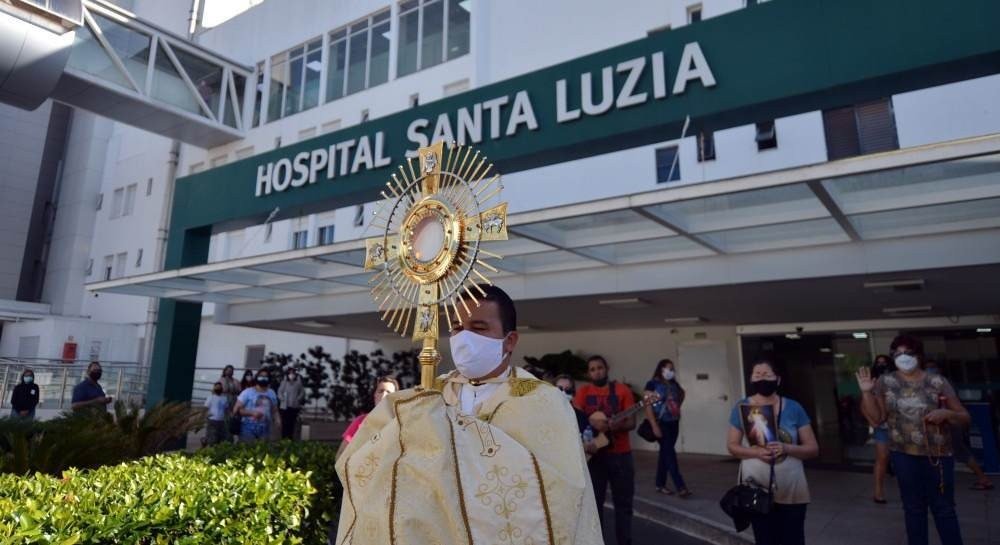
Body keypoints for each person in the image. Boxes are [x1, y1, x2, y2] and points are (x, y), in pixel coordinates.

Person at [335, 284, 602, 545]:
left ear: (510, 340)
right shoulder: (429, 396)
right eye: (457, 327)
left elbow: (561, 492)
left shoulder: (542, 401)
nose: (464, 337)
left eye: (479, 328)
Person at [858, 335, 970, 545]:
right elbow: (877, 419)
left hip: (938, 456)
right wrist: (866, 394)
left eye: (908, 353)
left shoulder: (937, 381)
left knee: (944, 508)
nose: (903, 357)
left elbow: (964, 417)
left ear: (919, 355)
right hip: (903, 455)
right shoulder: (885, 382)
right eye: (897, 354)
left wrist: (947, 414)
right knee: (913, 508)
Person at [727, 360, 819, 545]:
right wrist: (756, 453)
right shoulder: (741, 407)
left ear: (778, 379)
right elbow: (732, 446)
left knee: (794, 539)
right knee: (765, 539)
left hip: (792, 487)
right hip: (757, 488)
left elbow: (813, 449)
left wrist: (787, 448)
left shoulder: (794, 407)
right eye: (757, 375)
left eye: (767, 375)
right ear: (751, 379)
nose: (762, 378)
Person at [574, 355, 636, 545]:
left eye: (600, 367)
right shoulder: (583, 392)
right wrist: (593, 423)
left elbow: (631, 422)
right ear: (588, 373)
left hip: (621, 455)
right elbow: (575, 419)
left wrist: (615, 426)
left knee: (623, 504)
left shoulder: (622, 390)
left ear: (607, 368)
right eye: (592, 369)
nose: (597, 372)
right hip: (594, 456)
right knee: (594, 505)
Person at [924, 360, 993, 491]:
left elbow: (954, 407)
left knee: (960, 450)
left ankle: (983, 478)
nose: (929, 370)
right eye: (927, 367)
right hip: (943, 422)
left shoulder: (942, 382)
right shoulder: (929, 382)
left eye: (932, 367)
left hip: (950, 422)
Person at [644, 359, 691, 497]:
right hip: (661, 423)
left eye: (672, 369)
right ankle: (680, 486)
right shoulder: (652, 384)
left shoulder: (673, 384)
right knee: (670, 454)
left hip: (673, 422)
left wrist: (676, 407)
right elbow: (647, 405)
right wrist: (654, 425)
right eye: (668, 368)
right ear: (661, 369)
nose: (671, 371)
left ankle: (660, 484)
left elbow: (681, 394)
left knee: (665, 453)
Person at [335, 376, 398, 459]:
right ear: (375, 395)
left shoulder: (401, 424)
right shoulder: (360, 421)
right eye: (380, 391)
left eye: (388, 392)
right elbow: (340, 454)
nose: (384, 395)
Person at [869, 354, 895, 504]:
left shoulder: (897, 381)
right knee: (882, 458)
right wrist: (872, 422)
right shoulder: (871, 383)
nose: (881, 365)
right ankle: (878, 491)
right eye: (878, 363)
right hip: (882, 426)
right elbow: (864, 405)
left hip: (901, 424)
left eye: (884, 363)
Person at [232, 369, 280, 443]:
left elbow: (275, 410)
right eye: (261, 376)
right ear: (257, 377)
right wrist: (252, 413)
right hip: (248, 427)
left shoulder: (271, 393)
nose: (263, 378)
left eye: (266, 376)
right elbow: (236, 410)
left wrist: (278, 421)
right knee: (247, 448)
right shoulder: (247, 392)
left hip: (265, 428)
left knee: (262, 449)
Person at [278, 367, 305, 440]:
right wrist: (282, 398)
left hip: (294, 406)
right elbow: (279, 392)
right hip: (285, 406)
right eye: (290, 373)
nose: (291, 375)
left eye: (293, 373)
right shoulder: (284, 382)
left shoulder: (298, 383)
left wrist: (298, 399)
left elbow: (302, 392)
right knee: (285, 423)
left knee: (292, 423)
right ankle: (284, 438)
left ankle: (290, 438)